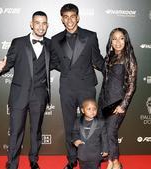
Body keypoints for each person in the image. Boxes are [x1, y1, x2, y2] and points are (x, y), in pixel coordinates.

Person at [50, 3, 104, 169]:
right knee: (69, 124)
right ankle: (72, 159)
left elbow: (97, 60)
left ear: (78, 17)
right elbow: (53, 62)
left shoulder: (90, 36)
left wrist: (115, 69)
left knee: (89, 124)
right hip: (67, 87)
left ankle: (91, 157)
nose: (70, 20)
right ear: (62, 19)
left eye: (72, 16)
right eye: (66, 17)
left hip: (86, 86)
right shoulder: (55, 39)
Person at [0, 11, 51, 169]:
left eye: (44, 23)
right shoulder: (18, 42)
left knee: (36, 131)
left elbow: (57, 63)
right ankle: (12, 164)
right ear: (31, 24)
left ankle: (33, 160)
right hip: (19, 94)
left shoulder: (50, 44)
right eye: (37, 22)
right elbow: (9, 61)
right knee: (15, 132)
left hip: (39, 95)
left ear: (47, 25)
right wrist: (2, 67)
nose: (40, 26)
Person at [98, 28, 138, 169]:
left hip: (117, 102)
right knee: (105, 132)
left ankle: (115, 163)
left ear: (125, 39)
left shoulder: (129, 58)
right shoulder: (109, 57)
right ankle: (112, 161)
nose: (118, 42)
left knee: (111, 132)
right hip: (104, 101)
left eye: (121, 38)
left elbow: (132, 85)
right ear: (111, 41)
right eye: (114, 38)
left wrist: (124, 104)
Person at [71, 99, 108, 169]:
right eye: (89, 109)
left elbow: (104, 137)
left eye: (94, 109)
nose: (92, 111)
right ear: (82, 110)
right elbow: (74, 132)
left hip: (95, 154)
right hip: (82, 154)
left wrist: (105, 149)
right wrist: (75, 140)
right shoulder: (78, 121)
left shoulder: (101, 122)